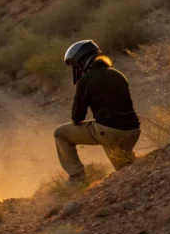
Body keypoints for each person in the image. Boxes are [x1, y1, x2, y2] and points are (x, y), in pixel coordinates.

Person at [54, 40, 140, 182]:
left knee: (60, 133)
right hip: (132, 131)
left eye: (73, 65)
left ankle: (77, 177)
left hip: (109, 132)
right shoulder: (117, 74)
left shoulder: (86, 79)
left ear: (80, 61)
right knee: (126, 172)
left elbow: (77, 117)